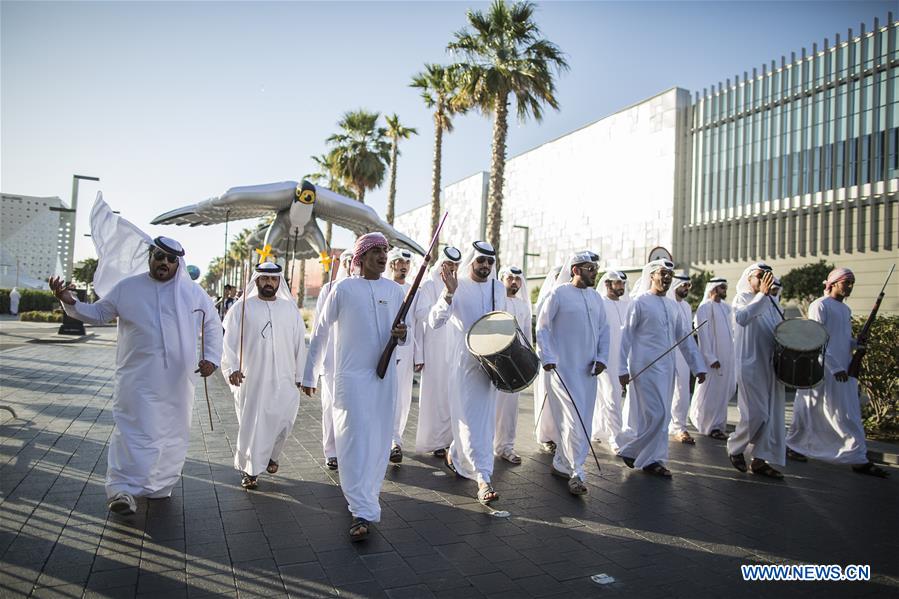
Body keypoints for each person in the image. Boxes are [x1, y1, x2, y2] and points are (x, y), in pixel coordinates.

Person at [49, 237, 222, 515]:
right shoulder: (128, 288)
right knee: (134, 432)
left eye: (170, 259)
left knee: (171, 434)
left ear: (178, 263)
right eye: (159, 256)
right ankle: (122, 489)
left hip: (178, 382)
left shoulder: (193, 293)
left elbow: (212, 324)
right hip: (137, 380)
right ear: (150, 257)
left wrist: (212, 359)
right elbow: (98, 313)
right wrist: (69, 301)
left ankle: (158, 485)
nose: (164, 262)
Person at [301, 233, 407, 541]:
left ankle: (367, 499)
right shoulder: (343, 289)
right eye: (376, 251)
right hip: (350, 379)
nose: (383, 256)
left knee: (377, 440)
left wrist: (402, 333)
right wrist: (310, 374)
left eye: (385, 250)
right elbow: (320, 332)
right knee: (351, 441)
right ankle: (360, 508)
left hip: (384, 378)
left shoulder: (395, 290)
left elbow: (406, 336)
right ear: (361, 256)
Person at [785, 268, 889, 478]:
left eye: (852, 283)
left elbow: (841, 339)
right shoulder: (819, 305)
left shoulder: (845, 310)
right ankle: (793, 446)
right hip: (823, 369)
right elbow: (818, 339)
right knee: (808, 409)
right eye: (846, 282)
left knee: (848, 413)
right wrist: (834, 367)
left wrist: (856, 344)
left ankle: (858, 457)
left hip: (843, 369)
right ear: (832, 283)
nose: (850, 287)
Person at [430, 241, 506, 505]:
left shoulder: (499, 288)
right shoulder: (457, 286)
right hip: (466, 364)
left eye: (489, 261)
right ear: (472, 261)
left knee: (482, 422)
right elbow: (435, 321)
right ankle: (483, 479)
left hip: (493, 364)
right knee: (468, 419)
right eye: (481, 260)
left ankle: (460, 456)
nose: (485, 265)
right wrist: (448, 294)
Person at [222, 262, 307, 489]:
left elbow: (300, 343)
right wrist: (231, 369)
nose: (269, 283)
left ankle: (271, 454)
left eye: (273, 279)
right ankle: (251, 471)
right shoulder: (241, 308)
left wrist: (301, 374)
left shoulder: (290, 309)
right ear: (257, 280)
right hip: (254, 379)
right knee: (255, 424)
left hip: (286, 377)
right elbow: (228, 342)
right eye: (264, 279)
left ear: (279, 282)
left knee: (285, 422)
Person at [617, 259, 706, 477]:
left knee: (663, 416)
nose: (666, 278)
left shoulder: (672, 306)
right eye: (662, 273)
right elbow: (625, 337)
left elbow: (684, 339)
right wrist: (621, 368)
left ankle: (653, 459)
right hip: (644, 367)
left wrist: (698, 366)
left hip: (667, 367)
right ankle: (635, 451)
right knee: (658, 414)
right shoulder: (639, 302)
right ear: (651, 276)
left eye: (669, 275)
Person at [537, 251, 609, 494]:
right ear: (575, 270)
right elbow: (543, 328)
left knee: (583, 420)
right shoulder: (558, 294)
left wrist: (602, 358)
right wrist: (547, 357)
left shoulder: (596, 298)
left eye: (595, 268)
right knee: (573, 420)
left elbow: (604, 330)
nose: (594, 272)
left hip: (588, 372)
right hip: (562, 370)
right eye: (590, 268)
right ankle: (577, 472)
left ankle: (561, 463)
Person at [726, 262, 786, 478]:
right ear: (749, 278)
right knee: (757, 414)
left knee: (770, 417)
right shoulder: (742, 299)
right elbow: (742, 319)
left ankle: (759, 461)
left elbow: (780, 333)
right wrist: (762, 295)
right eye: (759, 275)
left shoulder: (773, 303)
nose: (763, 279)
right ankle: (734, 446)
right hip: (749, 365)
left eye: (766, 276)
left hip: (771, 367)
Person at [413, 246, 463, 457]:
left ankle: (452, 441)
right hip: (434, 347)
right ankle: (436, 442)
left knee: (453, 394)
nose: (451, 268)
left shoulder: (462, 285)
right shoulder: (428, 284)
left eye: (455, 265)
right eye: (448, 264)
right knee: (436, 396)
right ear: (442, 263)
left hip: (456, 346)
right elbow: (421, 314)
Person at [311, 248, 354, 470]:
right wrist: (314, 368)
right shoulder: (328, 289)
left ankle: (349, 450)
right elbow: (320, 328)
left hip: (355, 360)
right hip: (331, 360)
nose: (350, 265)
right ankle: (331, 451)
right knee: (331, 406)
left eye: (353, 261)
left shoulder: (363, 290)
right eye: (346, 261)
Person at [494, 266, 532, 465]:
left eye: (518, 278)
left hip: (515, 362)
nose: (515, 282)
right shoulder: (495, 301)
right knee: (491, 406)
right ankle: (484, 446)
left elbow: (527, 336)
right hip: (495, 361)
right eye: (510, 278)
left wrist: (528, 359)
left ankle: (506, 447)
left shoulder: (524, 306)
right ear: (501, 279)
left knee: (510, 407)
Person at [688, 278, 735, 440]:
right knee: (710, 393)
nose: (724, 290)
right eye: (722, 287)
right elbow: (704, 335)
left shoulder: (727, 308)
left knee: (723, 393)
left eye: (725, 287)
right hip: (713, 359)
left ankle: (719, 425)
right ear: (714, 288)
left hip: (727, 358)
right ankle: (707, 424)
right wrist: (710, 356)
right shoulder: (704, 308)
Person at [387, 247, 420, 464]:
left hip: (406, 351)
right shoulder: (384, 288)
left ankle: (395, 441)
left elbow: (417, 326)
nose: (404, 267)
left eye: (406, 264)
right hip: (384, 350)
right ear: (391, 265)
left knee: (402, 398)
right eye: (400, 263)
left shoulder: (412, 291)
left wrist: (419, 355)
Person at [592, 271, 630, 452]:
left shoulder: (627, 305)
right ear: (607, 284)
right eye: (618, 283)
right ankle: (617, 439)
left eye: (623, 283)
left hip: (624, 359)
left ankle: (599, 431)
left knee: (606, 397)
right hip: (606, 359)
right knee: (612, 397)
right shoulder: (600, 303)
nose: (622, 286)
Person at [534, 266, 563, 454]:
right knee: (547, 396)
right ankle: (546, 436)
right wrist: (547, 355)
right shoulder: (549, 297)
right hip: (550, 355)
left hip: (567, 355)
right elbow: (542, 329)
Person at [667, 273, 696, 445]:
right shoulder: (667, 304)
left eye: (688, 286)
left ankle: (679, 427)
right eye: (683, 285)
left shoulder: (686, 306)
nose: (686, 289)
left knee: (682, 391)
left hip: (683, 353)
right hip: (667, 352)